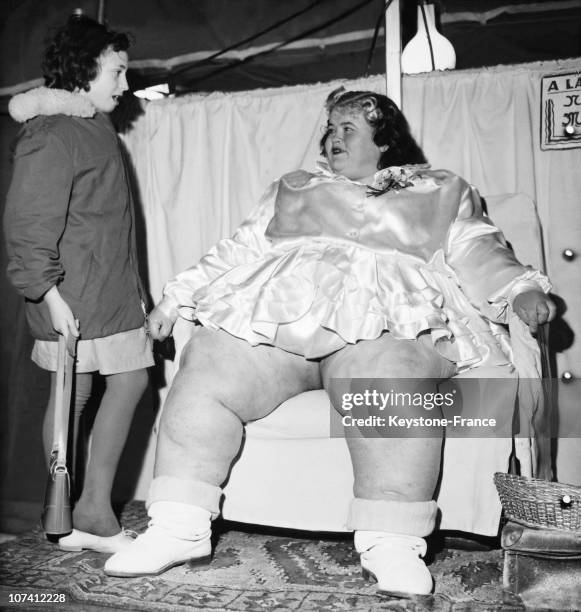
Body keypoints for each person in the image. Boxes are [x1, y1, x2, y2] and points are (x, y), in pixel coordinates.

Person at [104, 88, 555, 596]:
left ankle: (392, 539)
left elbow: (478, 249)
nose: (333, 137)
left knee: (386, 376)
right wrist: (174, 300)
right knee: (209, 357)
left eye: (349, 129)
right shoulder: (294, 187)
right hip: (285, 328)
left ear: (385, 141)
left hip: (385, 326)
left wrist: (520, 290)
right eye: (331, 128)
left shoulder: (440, 188)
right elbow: (235, 250)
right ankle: (178, 527)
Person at [4, 14, 153, 553]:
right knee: (97, 388)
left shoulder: (90, 125)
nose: (124, 84)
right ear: (87, 68)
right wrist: (46, 293)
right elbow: (27, 221)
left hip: (103, 290)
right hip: (75, 295)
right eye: (117, 71)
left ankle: (76, 511)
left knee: (99, 388)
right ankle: (82, 509)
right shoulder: (54, 132)